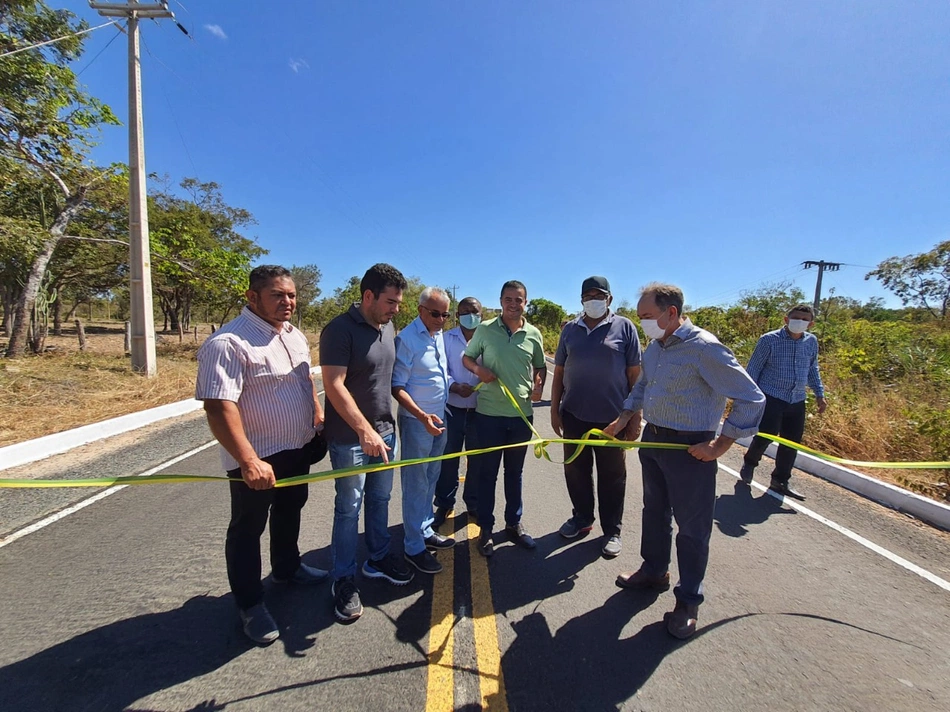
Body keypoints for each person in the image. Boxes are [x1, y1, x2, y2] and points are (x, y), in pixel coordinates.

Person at [605, 282, 765, 640]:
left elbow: (751, 397)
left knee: (692, 528)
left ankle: (688, 600)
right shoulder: (655, 346)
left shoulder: (704, 348)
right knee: (654, 511)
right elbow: (643, 386)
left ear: (671, 313)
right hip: (655, 439)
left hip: (691, 449)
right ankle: (654, 570)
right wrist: (623, 417)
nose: (642, 322)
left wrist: (721, 445)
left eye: (647, 316)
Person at [196, 265, 327, 645]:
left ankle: (287, 568)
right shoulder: (228, 343)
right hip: (257, 459)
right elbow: (219, 407)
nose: (287, 302)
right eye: (277, 295)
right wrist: (249, 460)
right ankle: (250, 604)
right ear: (252, 297)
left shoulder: (295, 335)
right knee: (247, 529)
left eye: (291, 295)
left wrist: (316, 418)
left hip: (297, 448)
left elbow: (305, 381)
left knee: (291, 510)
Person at [321, 263, 413, 623]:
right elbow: (334, 385)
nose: (395, 309)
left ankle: (377, 557)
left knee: (380, 499)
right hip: (351, 440)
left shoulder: (387, 327)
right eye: (390, 301)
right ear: (368, 296)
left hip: (385, 434)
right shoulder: (338, 330)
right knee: (349, 508)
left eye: (398, 303)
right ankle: (342, 578)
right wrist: (363, 430)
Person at [551, 276, 641, 558]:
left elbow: (634, 376)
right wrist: (555, 410)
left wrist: (634, 417)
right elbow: (559, 373)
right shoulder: (570, 331)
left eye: (599, 295)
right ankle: (582, 518)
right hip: (574, 414)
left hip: (612, 419)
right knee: (575, 471)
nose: (594, 300)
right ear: (581, 300)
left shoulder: (625, 328)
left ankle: (612, 530)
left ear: (610, 299)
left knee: (612, 476)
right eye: (588, 295)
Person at [463, 280, 546, 557]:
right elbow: (467, 358)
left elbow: (540, 366)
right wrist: (478, 370)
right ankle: (486, 528)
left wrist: (539, 385)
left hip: (521, 416)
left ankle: (514, 524)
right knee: (487, 474)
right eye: (508, 299)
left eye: (519, 299)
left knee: (515, 473)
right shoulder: (485, 329)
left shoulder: (534, 334)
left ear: (526, 302)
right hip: (489, 415)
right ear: (500, 301)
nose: (513, 304)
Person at [392, 287, 456, 575]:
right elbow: (398, 387)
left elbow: (439, 375)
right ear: (420, 310)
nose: (441, 319)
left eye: (445, 314)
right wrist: (421, 416)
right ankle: (413, 547)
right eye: (435, 313)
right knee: (415, 483)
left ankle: (425, 529)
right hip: (418, 422)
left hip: (440, 418)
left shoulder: (437, 335)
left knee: (431, 477)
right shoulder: (406, 340)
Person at [740, 304, 827, 500]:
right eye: (796, 318)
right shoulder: (769, 340)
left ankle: (780, 480)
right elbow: (754, 369)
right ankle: (750, 463)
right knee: (765, 436)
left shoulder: (811, 342)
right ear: (786, 320)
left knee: (791, 443)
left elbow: (813, 369)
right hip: (772, 397)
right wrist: (748, 397)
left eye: (805, 320)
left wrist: (820, 394)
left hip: (797, 399)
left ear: (811, 324)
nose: (800, 322)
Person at [433, 297, 484, 527]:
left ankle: (473, 503)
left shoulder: (490, 338)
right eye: (464, 312)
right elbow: (440, 370)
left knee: (477, 460)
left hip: (481, 411)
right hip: (452, 409)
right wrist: (454, 385)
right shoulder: (446, 339)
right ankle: (444, 503)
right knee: (448, 459)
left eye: (473, 311)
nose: (469, 315)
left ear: (481, 314)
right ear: (457, 316)